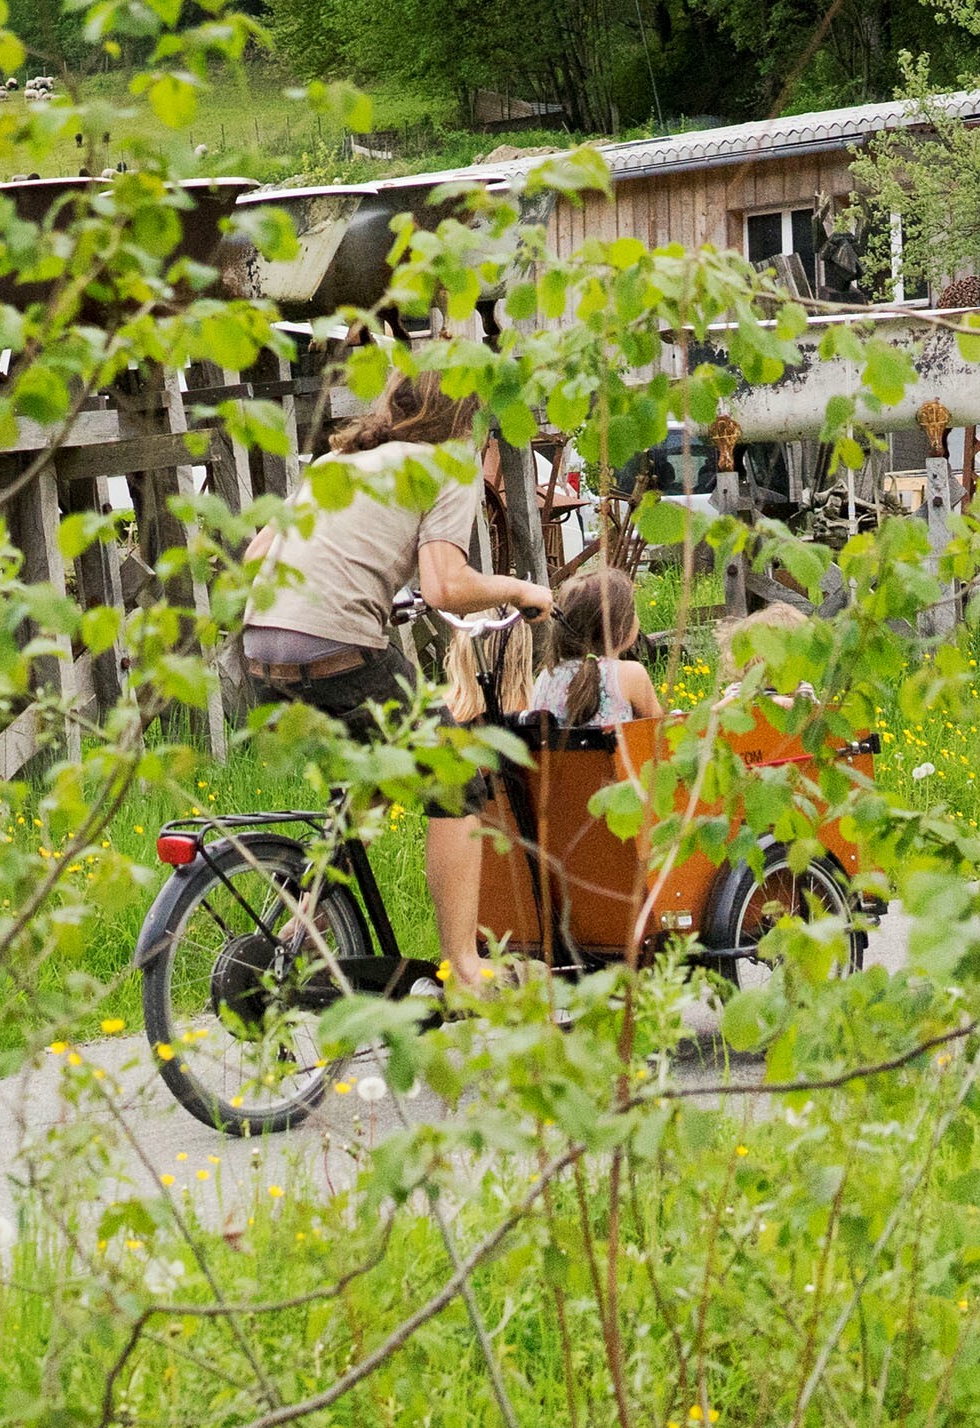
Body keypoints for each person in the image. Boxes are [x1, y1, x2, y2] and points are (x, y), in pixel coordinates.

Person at [237, 370, 553, 991]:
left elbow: (255, 559)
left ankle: (299, 929)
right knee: (458, 775)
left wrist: (374, 589)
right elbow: (446, 587)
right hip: (338, 653)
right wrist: (521, 588)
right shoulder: (446, 467)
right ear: (464, 422)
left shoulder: (336, 464)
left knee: (371, 783)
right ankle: (464, 966)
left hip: (261, 652)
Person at [540, 567, 664, 729]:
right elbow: (660, 732)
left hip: (556, 755)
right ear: (620, 626)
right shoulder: (631, 674)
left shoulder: (545, 677)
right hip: (616, 755)